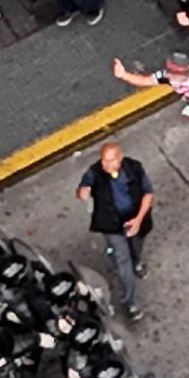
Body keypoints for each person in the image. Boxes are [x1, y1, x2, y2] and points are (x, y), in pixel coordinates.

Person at [73, 137, 155, 322]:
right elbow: (82, 189)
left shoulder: (134, 168)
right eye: (104, 160)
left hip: (135, 219)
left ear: (120, 158)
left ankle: (137, 262)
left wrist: (138, 220)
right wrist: (82, 192)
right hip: (111, 224)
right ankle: (131, 302)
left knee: (136, 247)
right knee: (122, 259)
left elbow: (148, 194)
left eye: (111, 160)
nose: (107, 164)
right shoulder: (95, 172)